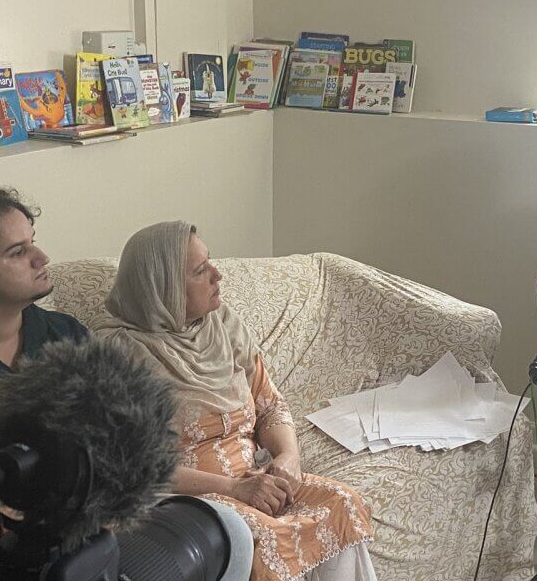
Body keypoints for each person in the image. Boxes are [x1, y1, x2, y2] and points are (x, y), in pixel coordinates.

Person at [0, 188, 252, 580]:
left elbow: (124, 448)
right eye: (18, 252)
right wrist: (93, 511)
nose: (42, 258)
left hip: (89, 524)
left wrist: (118, 501)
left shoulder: (64, 335)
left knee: (230, 533)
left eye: (33, 242)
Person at [97, 222, 377, 581]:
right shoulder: (118, 353)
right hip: (186, 499)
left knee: (342, 503)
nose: (218, 275)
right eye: (200, 271)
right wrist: (234, 488)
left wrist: (287, 457)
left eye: (210, 261)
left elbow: (270, 404)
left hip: (250, 477)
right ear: (163, 288)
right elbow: (132, 466)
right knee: (263, 534)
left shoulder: (223, 325)